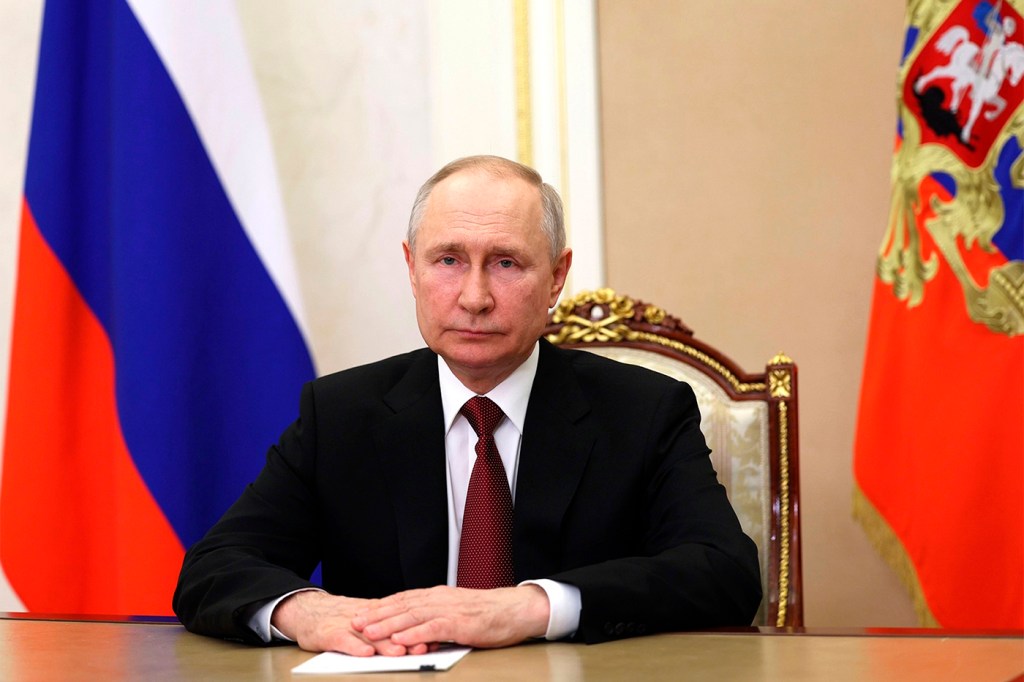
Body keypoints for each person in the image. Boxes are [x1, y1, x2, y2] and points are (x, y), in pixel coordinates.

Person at [172, 155, 761, 655]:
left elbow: (724, 572)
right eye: (448, 260)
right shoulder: (344, 412)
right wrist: (306, 613)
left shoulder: (644, 410)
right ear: (411, 268)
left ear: (556, 278)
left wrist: (531, 608)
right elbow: (214, 567)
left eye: (506, 263)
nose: (474, 297)